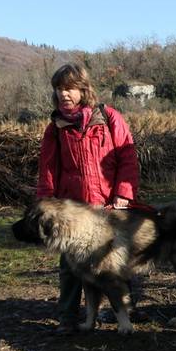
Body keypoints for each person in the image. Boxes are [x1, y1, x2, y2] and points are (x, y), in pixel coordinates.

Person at [36, 63, 140, 332]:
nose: (64, 95)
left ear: (83, 90)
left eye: (69, 88)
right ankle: (68, 318)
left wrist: (123, 194)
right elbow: (47, 169)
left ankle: (126, 311)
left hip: (108, 205)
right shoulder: (56, 128)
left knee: (117, 259)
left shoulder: (109, 118)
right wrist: (47, 204)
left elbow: (127, 158)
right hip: (73, 210)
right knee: (70, 267)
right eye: (59, 89)